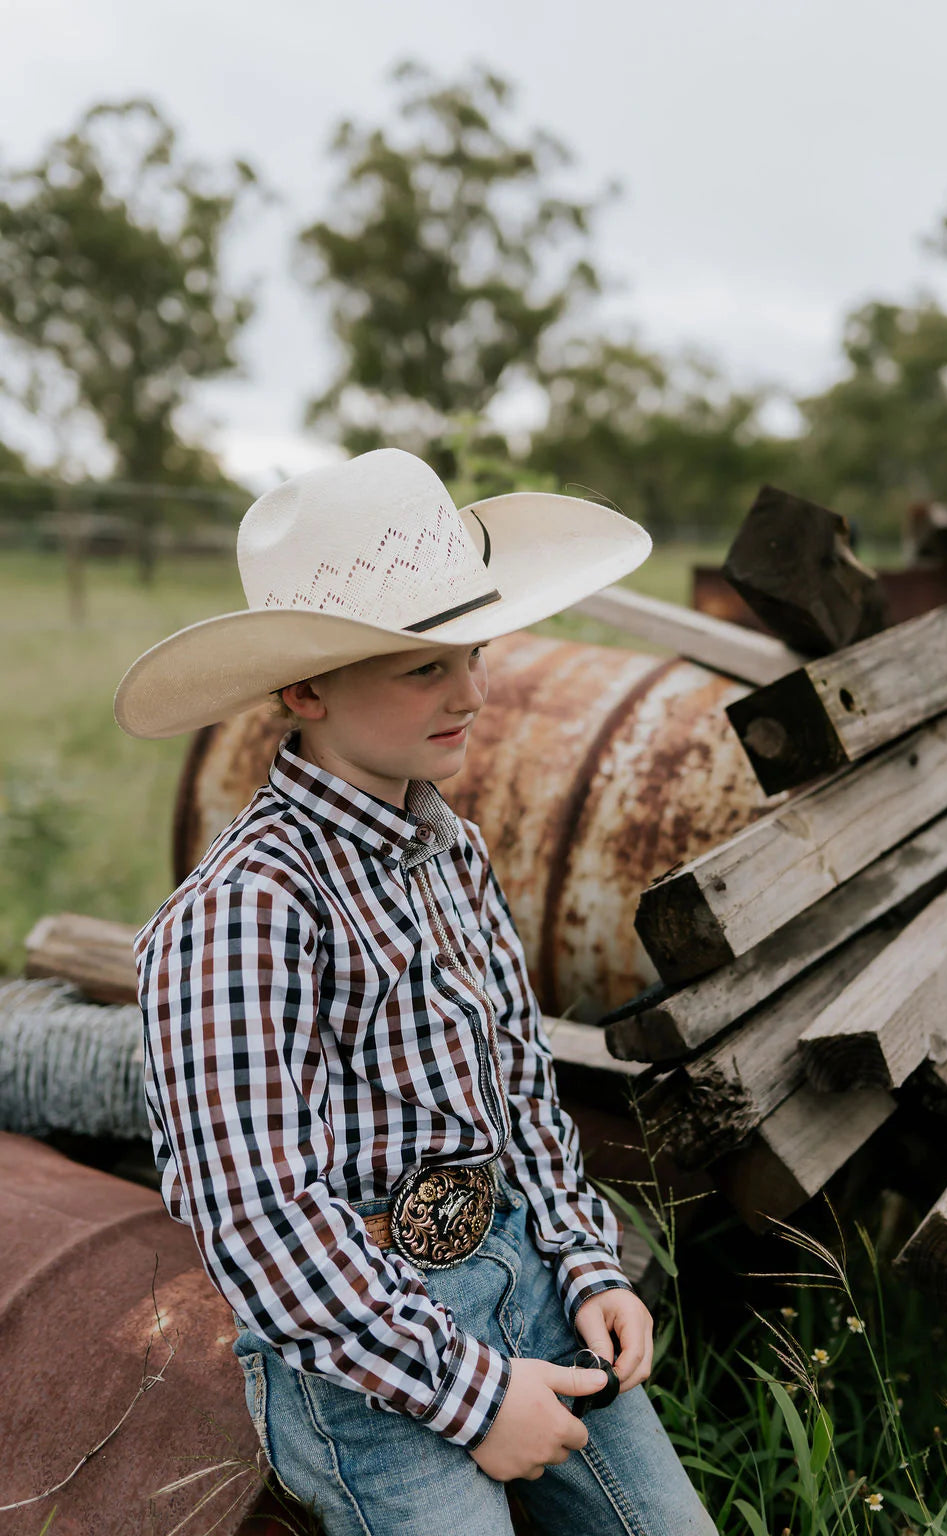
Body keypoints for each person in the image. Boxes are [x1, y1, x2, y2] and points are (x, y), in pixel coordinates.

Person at [116, 449, 718, 1536]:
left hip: (520, 1276)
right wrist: (474, 1399)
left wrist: (584, 1266)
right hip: (359, 1348)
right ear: (304, 688)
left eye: (472, 654)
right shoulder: (244, 910)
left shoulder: (453, 851)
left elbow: (518, 1088)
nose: (472, 694)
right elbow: (260, 1217)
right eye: (421, 668)